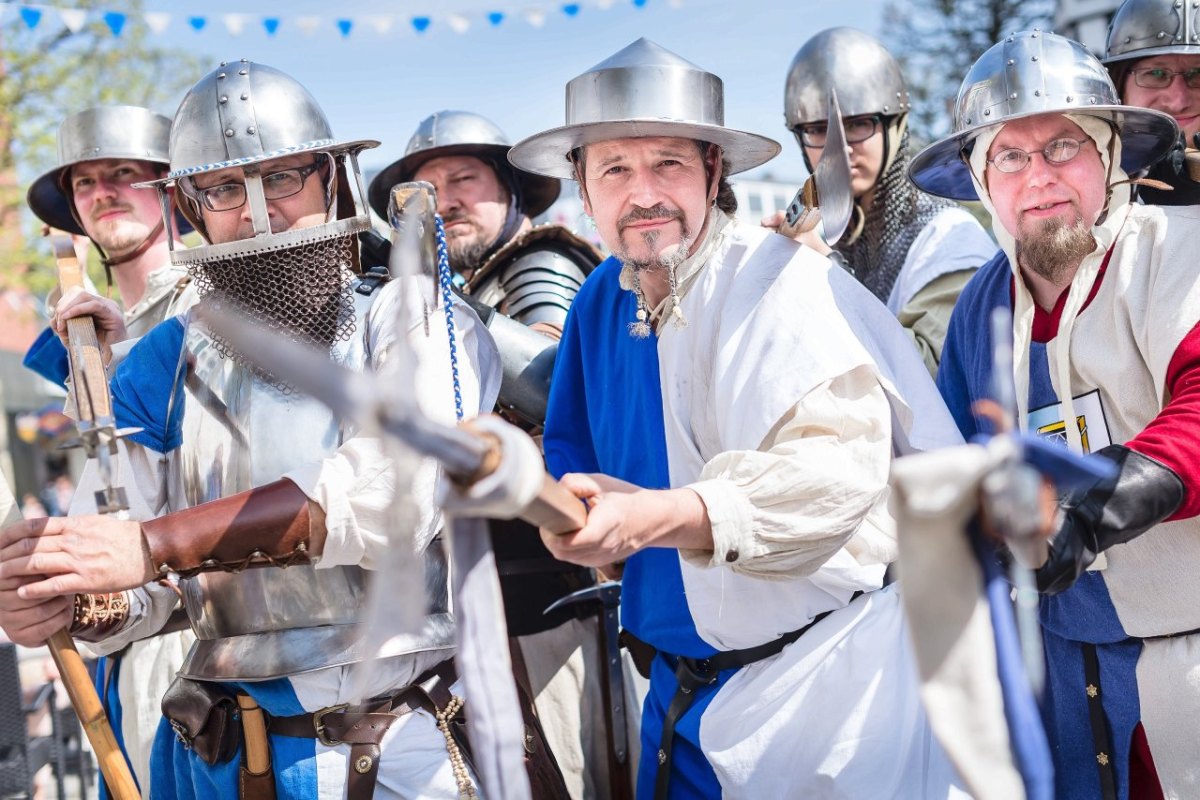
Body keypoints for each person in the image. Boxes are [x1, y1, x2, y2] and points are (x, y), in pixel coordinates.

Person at [0, 60, 499, 799]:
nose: (258, 213)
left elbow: (394, 497)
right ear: (191, 205)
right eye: (226, 188)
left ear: (330, 179)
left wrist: (152, 546)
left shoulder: (413, 317)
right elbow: (135, 586)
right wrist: (68, 599)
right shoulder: (162, 361)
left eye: (282, 178)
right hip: (221, 753)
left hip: (390, 746)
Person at [511, 38, 969, 798]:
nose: (643, 194)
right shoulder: (598, 302)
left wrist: (661, 516)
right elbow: (575, 452)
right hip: (672, 694)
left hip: (826, 696)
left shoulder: (780, 281)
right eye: (614, 170)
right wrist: (582, 521)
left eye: (668, 164)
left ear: (712, 171)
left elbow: (830, 478)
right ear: (582, 190)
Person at [914, 30, 1200, 799]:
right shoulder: (979, 307)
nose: (1038, 176)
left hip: (1189, 662)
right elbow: (951, 460)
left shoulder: (1178, 253)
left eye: (1064, 146)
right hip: (1055, 671)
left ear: (1109, 154)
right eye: (1010, 155)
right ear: (983, 179)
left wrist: (1094, 506)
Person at [370, 110, 609, 798]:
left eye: (464, 180)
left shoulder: (538, 262)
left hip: (550, 604)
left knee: (566, 779)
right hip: (474, 611)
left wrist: (442, 306)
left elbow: (553, 385)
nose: (445, 202)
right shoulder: (451, 291)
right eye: (426, 190)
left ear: (509, 188)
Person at [775, 27, 996, 374]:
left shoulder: (948, 238)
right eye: (818, 129)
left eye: (859, 124)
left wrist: (823, 272)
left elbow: (933, 376)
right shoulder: (838, 238)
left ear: (895, 126)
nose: (841, 148)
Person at [24, 106, 198, 385]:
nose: (102, 193)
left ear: (168, 185)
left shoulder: (212, 295)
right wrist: (73, 277)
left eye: (122, 171)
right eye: (85, 182)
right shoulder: (115, 322)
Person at [1104, 0, 1200, 204]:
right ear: (1119, 85)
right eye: (1156, 74)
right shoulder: (1079, 179)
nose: (1178, 101)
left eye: (1198, 74)